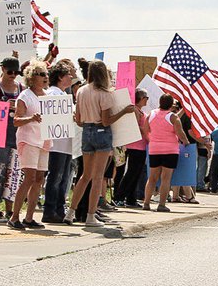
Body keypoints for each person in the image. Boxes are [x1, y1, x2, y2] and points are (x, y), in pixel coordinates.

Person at [66, 60, 133, 226]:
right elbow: (105, 121)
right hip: (101, 133)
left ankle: (70, 212)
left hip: (86, 131)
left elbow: (79, 120)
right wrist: (124, 111)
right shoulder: (105, 93)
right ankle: (90, 215)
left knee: (84, 176)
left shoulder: (81, 91)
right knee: (97, 178)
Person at [8, 61, 51, 229]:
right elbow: (16, 120)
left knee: (39, 179)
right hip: (29, 140)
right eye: (41, 74)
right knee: (29, 178)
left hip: (44, 140)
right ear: (32, 78)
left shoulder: (48, 97)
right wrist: (32, 118)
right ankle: (14, 216)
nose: (45, 77)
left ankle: (29, 217)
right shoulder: (25, 96)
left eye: (46, 74)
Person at [0, 57, 23, 221]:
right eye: (10, 71)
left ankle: (10, 208)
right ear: (2, 68)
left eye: (16, 72)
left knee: (13, 173)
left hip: (16, 134)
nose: (13, 75)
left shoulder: (21, 87)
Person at [42, 60, 77, 223]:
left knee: (63, 179)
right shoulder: (52, 94)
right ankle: (49, 210)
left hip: (66, 143)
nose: (71, 77)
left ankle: (59, 208)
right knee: (55, 177)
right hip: (56, 143)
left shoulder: (64, 95)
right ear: (61, 77)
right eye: (69, 75)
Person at [142, 93, 187, 212]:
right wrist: (185, 141)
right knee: (166, 178)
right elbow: (180, 133)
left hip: (154, 149)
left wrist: (151, 139)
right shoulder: (173, 117)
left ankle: (146, 203)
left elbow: (145, 130)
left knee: (152, 178)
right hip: (170, 150)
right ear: (171, 104)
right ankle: (161, 204)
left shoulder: (151, 114)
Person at [114, 89, 150, 209]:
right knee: (131, 173)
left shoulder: (140, 111)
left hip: (140, 145)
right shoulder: (135, 110)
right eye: (146, 98)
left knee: (136, 173)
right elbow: (133, 125)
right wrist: (144, 129)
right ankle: (119, 196)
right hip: (134, 145)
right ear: (141, 98)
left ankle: (131, 198)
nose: (147, 100)